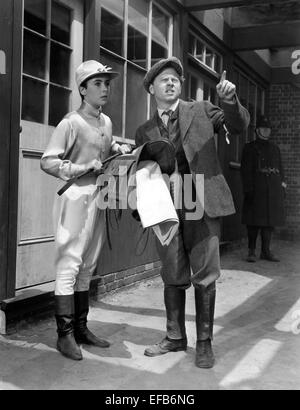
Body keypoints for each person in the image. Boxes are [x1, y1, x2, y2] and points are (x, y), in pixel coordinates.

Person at [135, 57, 250, 368]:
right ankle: (175, 336)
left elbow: (238, 126)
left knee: (205, 275)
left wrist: (229, 100)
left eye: (175, 78)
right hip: (166, 210)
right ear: (152, 89)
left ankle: (204, 342)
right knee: (172, 273)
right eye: (164, 80)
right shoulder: (144, 131)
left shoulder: (200, 110)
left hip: (202, 202)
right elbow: (142, 174)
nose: (171, 83)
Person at [41, 60, 130, 360]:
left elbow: (104, 144)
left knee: (88, 266)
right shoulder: (70, 123)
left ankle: (81, 328)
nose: (105, 88)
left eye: (107, 83)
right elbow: (48, 161)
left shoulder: (106, 122)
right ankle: (64, 335)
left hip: (99, 196)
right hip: (75, 196)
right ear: (82, 89)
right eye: (98, 83)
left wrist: (116, 149)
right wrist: (80, 167)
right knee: (69, 264)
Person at [241, 115, 286, 263]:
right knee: (253, 223)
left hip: (272, 191)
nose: (266, 131)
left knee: (269, 223)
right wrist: (248, 189)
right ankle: (251, 251)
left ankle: (266, 251)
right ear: (257, 130)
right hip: (256, 190)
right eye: (263, 129)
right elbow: (245, 170)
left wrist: (282, 186)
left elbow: (280, 169)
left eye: (268, 129)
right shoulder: (250, 148)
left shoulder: (275, 149)